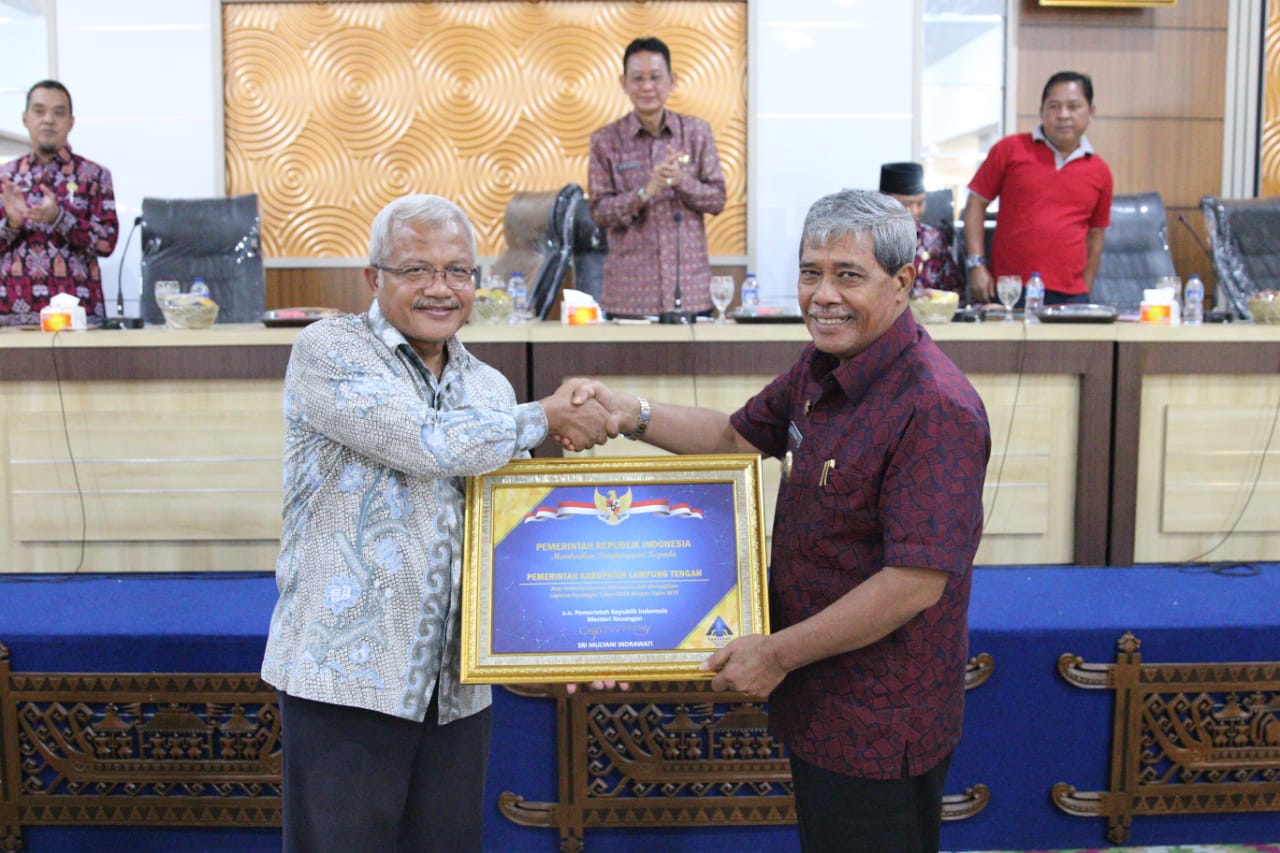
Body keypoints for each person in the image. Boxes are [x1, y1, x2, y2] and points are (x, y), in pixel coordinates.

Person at [576, 189, 991, 852]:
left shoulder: (935, 406)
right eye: (809, 273)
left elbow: (912, 583)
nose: (823, 295)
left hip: (879, 715)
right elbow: (733, 438)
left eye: (848, 275)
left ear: (903, 282)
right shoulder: (821, 367)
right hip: (817, 693)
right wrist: (630, 414)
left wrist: (775, 653)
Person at [260, 194, 615, 853]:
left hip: (455, 690)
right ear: (374, 277)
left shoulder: (489, 388)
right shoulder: (329, 350)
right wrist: (544, 417)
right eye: (416, 269)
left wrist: (577, 637)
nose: (440, 288)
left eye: (458, 271)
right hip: (347, 681)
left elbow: (512, 532)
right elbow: (424, 441)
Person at [588, 36, 726, 318]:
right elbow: (599, 213)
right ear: (624, 83)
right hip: (628, 297)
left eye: (655, 77)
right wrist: (645, 192)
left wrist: (681, 181)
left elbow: (717, 199)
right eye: (638, 78)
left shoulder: (696, 133)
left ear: (672, 81)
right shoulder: (606, 141)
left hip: (690, 291)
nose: (647, 87)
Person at [963, 70, 1113, 306]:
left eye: (1073, 106)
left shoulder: (1100, 171)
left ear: (1091, 112)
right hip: (1011, 289)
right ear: (1041, 110)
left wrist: (1084, 288)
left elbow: (1096, 235)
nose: (1063, 115)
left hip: (1071, 295)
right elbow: (975, 203)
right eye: (1054, 106)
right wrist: (976, 264)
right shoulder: (1010, 149)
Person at [0, 80, 118, 327]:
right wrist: (11, 224)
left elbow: (107, 243)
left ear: (71, 122)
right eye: (39, 111)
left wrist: (59, 218)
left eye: (59, 113)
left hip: (79, 317)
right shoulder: (6, 178)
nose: (48, 120)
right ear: (25, 119)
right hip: (12, 317)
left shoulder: (94, 175)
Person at [878, 161, 964, 297]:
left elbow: (955, 292)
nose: (914, 211)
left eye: (920, 203)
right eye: (905, 204)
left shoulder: (934, 239)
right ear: (883, 202)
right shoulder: (867, 241)